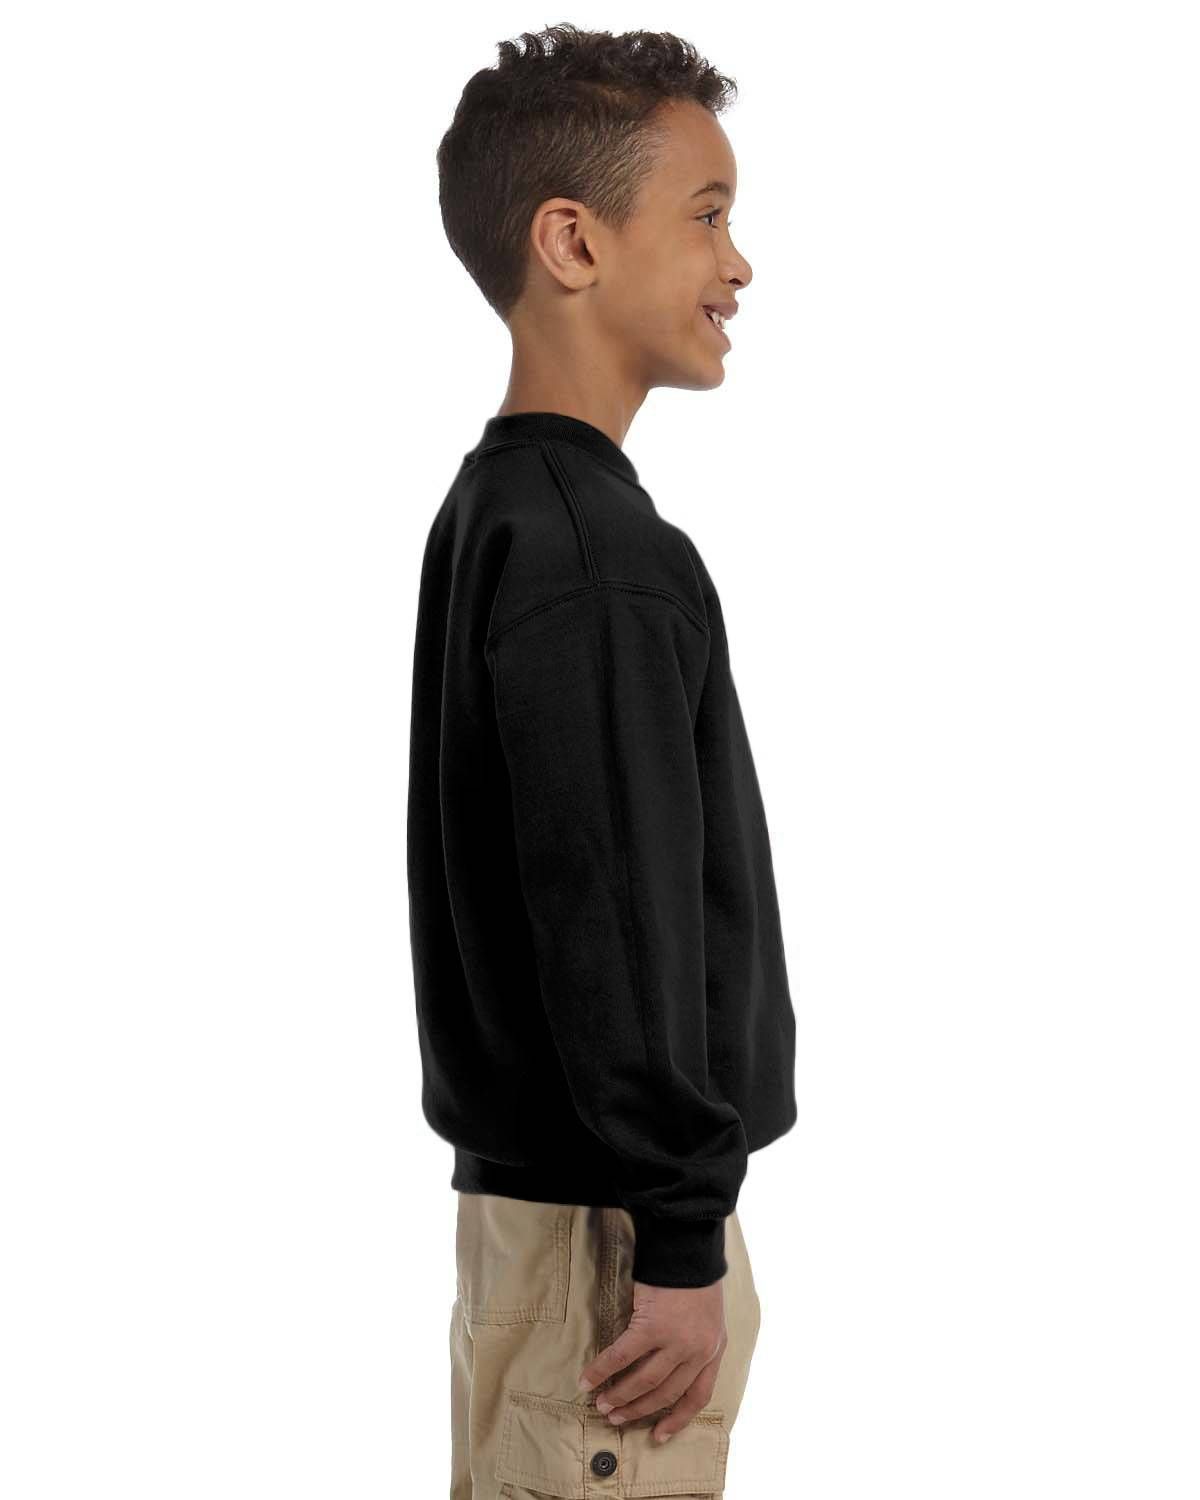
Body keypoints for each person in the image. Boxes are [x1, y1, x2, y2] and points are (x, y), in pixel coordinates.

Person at [407, 24, 798, 1496]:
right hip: (613, 1247)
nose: (739, 264)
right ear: (572, 241)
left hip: (561, 1220)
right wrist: (682, 1237)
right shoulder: (597, 557)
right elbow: (613, 912)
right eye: (707, 215)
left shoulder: (503, 514)